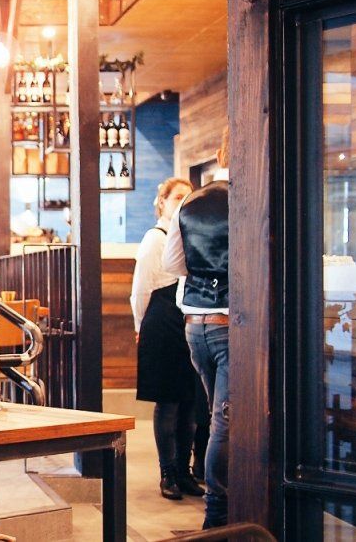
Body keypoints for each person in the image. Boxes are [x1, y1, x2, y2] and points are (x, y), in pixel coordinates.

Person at [163, 127, 230, 529]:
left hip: (195, 326)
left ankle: (223, 507)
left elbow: (173, 264)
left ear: (221, 156)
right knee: (226, 422)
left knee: (217, 416)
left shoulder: (191, 201)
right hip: (230, 323)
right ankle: (219, 516)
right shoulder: (253, 197)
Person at [130, 177, 205, 501]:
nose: (182, 202)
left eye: (187, 197)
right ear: (162, 203)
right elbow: (140, 290)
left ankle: (185, 472)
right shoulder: (154, 238)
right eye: (176, 197)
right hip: (161, 321)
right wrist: (139, 326)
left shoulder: (190, 235)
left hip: (187, 319)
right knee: (169, 402)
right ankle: (168, 473)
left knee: (189, 400)